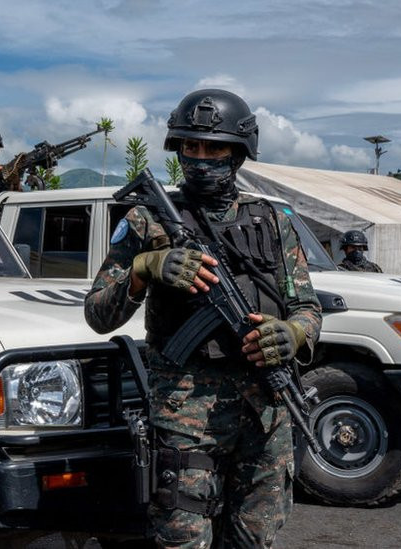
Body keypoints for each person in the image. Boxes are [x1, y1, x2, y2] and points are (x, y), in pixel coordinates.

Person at [84, 89, 322, 548]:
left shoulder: (272, 221)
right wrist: (143, 269)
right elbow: (98, 314)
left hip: (267, 411)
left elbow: (308, 307)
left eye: (214, 148)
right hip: (183, 412)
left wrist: (293, 334)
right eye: (190, 147)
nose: (200, 158)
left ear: (238, 154)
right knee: (182, 537)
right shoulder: (146, 221)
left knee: (255, 537)